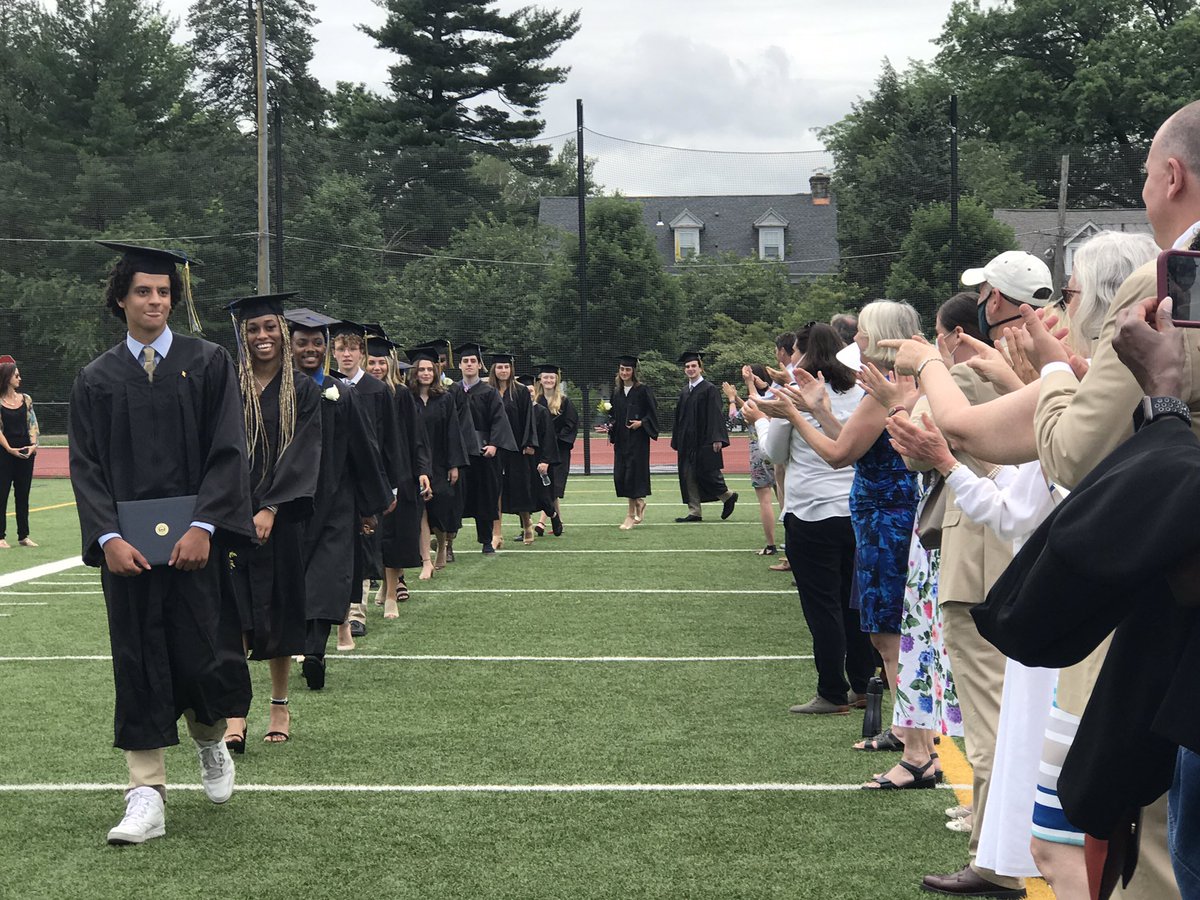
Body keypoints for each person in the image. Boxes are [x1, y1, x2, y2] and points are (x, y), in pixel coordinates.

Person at [69, 242, 254, 845]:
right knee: (138, 663)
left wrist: (205, 526)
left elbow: (228, 450)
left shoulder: (207, 363)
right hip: (129, 556)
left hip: (195, 550)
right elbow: (87, 467)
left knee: (202, 658)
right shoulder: (97, 379)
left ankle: (210, 742)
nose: (155, 301)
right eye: (143, 291)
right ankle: (145, 793)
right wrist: (107, 537)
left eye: (164, 292)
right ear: (120, 299)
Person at [755, 303, 921, 742]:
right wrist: (820, 410)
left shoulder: (888, 390)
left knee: (885, 630)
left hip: (881, 515)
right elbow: (851, 442)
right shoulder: (885, 390)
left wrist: (796, 415)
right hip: (868, 514)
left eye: (863, 333)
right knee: (870, 619)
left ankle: (910, 736)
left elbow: (837, 455)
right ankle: (904, 727)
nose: (857, 341)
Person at [750, 324, 873, 720]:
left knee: (823, 608)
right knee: (853, 604)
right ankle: (861, 683)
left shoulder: (796, 394)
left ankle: (831, 690)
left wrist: (761, 418)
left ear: (803, 355)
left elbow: (774, 451)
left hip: (811, 512)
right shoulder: (862, 392)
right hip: (855, 509)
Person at [222, 293, 322, 749]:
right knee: (234, 616)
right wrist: (233, 507)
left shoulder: (301, 389)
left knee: (280, 611)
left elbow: (304, 451)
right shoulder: (229, 385)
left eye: (268, 328)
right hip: (231, 514)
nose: (261, 336)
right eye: (253, 329)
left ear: (282, 332)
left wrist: (272, 507)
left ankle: (279, 704)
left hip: (278, 519)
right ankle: (234, 712)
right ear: (243, 335)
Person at [286, 308, 390, 690]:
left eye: (317, 342)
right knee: (295, 579)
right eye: (302, 343)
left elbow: (364, 450)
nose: (310, 348)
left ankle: (315, 650)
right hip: (289, 505)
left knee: (328, 579)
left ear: (326, 348)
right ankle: (298, 643)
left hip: (335, 502)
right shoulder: (277, 392)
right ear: (290, 347)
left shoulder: (342, 394)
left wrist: (369, 506)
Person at [331, 321, 399, 639]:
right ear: (333, 353)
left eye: (352, 349)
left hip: (367, 480)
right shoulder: (324, 387)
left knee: (364, 544)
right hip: (333, 482)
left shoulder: (377, 390)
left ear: (362, 353)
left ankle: (357, 612)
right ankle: (334, 612)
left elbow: (389, 442)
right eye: (341, 349)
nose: (346, 354)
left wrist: (390, 485)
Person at [448, 343, 517, 554]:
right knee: (454, 499)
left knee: (486, 496)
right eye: (465, 361)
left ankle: (486, 540)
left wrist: (495, 444)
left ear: (480, 365)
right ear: (459, 365)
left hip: (484, 452)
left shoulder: (489, 392)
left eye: (473, 361)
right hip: (459, 454)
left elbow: (499, 420)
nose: (469, 364)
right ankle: (448, 544)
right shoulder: (451, 391)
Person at [408, 346, 468, 570]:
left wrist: (454, 465)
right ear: (414, 372)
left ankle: (442, 545)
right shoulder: (407, 398)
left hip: (441, 460)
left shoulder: (444, 399)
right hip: (415, 461)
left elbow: (453, 432)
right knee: (420, 509)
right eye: (421, 369)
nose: (425, 373)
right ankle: (425, 560)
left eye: (429, 369)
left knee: (440, 507)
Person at [671, 351, 737, 522]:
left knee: (708, 473)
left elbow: (715, 415)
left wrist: (717, 438)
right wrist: (677, 439)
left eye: (694, 366)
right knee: (687, 475)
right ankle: (694, 511)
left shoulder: (709, 389)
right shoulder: (685, 391)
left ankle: (727, 496)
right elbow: (679, 417)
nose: (690, 369)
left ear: (700, 368)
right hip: (687, 441)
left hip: (704, 439)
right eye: (687, 366)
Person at [722, 365, 778, 555]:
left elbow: (734, 419)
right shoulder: (776, 397)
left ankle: (771, 545)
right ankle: (792, 542)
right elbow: (751, 405)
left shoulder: (755, 402)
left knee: (765, 501)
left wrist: (731, 399)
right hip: (779, 449)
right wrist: (739, 398)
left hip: (759, 453)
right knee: (785, 498)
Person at [488, 352, 538, 547]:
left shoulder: (521, 392)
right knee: (495, 489)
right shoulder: (487, 391)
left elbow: (528, 419)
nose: (503, 370)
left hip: (517, 448)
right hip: (495, 447)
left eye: (506, 367)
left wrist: (529, 443)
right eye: (499, 367)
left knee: (520, 488)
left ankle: (527, 524)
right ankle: (496, 534)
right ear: (494, 369)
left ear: (511, 369)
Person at [610, 355, 659, 529]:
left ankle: (630, 516)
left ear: (633, 371)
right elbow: (614, 416)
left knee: (632, 477)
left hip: (638, 442)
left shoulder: (643, 390)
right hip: (622, 441)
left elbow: (652, 413)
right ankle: (639, 502)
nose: (624, 372)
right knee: (621, 476)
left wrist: (642, 423)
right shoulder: (616, 392)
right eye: (622, 369)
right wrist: (609, 426)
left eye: (628, 369)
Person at [533, 364, 576, 537]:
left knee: (552, 487)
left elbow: (571, 424)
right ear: (540, 380)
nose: (549, 380)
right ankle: (557, 521)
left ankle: (541, 522)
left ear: (556, 380)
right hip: (541, 451)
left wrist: (555, 439)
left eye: (552, 377)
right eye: (545, 377)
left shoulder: (564, 401)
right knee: (546, 487)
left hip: (559, 451)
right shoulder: (536, 401)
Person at [0, 357, 39, 548]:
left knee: (23, 494)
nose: (19, 378)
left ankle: (24, 535)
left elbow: (32, 423)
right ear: (7, 378)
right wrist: (9, 449)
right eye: (16, 375)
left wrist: (32, 446)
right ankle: (0, 536)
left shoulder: (26, 399)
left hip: (25, 452)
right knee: (2, 493)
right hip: (4, 454)